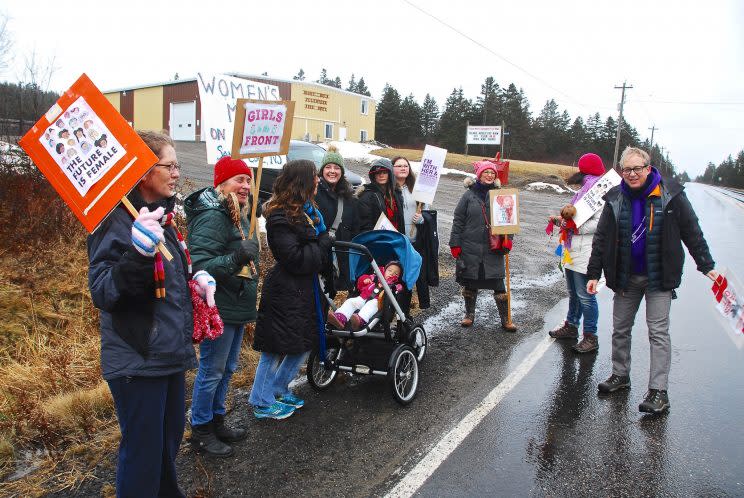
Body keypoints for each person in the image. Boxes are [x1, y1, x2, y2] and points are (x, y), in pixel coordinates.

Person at [88, 131, 213, 497]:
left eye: (177, 165)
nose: (177, 172)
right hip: (137, 355)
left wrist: (196, 280)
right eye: (170, 165)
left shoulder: (163, 217)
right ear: (143, 171)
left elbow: (171, 277)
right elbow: (105, 290)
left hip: (169, 351)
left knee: (167, 445)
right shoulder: (115, 221)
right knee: (143, 455)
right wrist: (137, 253)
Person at [586, 146, 718, 414]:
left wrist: (707, 266)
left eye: (637, 168)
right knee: (620, 328)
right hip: (625, 276)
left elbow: (692, 232)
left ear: (648, 168)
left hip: (659, 278)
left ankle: (659, 392)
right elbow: (601, 239)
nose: (632, 174)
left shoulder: (671, 196)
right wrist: (593, 273)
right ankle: (620, 376)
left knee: (658, 333)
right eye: (627, 169)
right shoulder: (615, 198)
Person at [184, 156, 261, 457]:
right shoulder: (213, 215)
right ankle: (201, 430)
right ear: (222, 183)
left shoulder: (237, 212)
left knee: (227, 368)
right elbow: (200, 266)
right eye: (239, 180)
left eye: (247, 180)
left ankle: (216, 420)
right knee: (212, 369)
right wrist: (236, 258)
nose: (245, 186)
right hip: (220, 306)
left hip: (236, 302)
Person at [249, 160, 332, 419]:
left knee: (303, 342)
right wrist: (322, 244)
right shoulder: (279, 215)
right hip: (286, 289)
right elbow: (294, 258)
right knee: (275, 346)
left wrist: (321, 246)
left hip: (306, 288)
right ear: (302, 181)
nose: (318, 180)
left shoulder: (308, 210)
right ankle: (260, 400)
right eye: (315, 176)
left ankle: (278, 387)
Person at [449, 160, 517, 332]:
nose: (489, 175)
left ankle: (505, 319)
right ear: (479, 175)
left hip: (492, 248)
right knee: (470, 281)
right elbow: (458, 220)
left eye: (492, 173)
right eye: (486, 172)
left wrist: (508, 238)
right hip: (470, 247)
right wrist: (455, 243)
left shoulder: (501, 195)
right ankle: (469, 315)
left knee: (498, 283)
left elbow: (509, 220)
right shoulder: (468, 195)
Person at [548, 152, 606, 353]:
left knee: (586, 295)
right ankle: (571, 326)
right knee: (573, 292)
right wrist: (563, 222)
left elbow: (601, 223)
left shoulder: (600, 193)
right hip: (572, 249)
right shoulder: (584, 191)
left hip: (588, 251)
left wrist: (575, 227)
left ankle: (591, 336)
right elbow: (575, 216)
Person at [392, 155, 438, 310]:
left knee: (414, 276)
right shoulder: (389, 191)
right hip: (398, 241)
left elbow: (426, 214)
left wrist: (422, 219)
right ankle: (397, 310)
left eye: (406, 165)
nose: (403, 168)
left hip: (415, 241)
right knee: (398, 278)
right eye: (399, 166)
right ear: (392, 169)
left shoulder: (417, 189)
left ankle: (407, 312)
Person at [314, 145, 360, 292]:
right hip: (319, 255)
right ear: (322, 170)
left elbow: (355, 228)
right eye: (328, 167)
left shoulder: (349, 197)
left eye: (336, 167)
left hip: (342, 257)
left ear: (342, 171)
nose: (332, 171)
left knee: (333, 295)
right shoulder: (314, 193)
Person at [327, 261, 404, 331]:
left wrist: (393, 286)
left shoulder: (395, 285)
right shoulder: (375, 277)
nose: (392, 274)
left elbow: (398, 290)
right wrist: (365, 280)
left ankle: (359, 321)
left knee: (370, 306)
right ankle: (340, 318)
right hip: (362, 298)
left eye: (396, 274)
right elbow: (360, 283)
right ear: (384, 271)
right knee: (350, 301)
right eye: (390, 270)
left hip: (378, 302)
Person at [357, 158, 405, 232]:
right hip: (378, 239)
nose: (381, 175)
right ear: (374, 175)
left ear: (390, 174)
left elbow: (400, 221)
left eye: (384, 172)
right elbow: (365, 224)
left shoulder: (397, 194)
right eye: (378, 173)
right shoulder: (367, 195)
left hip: (396, 238)